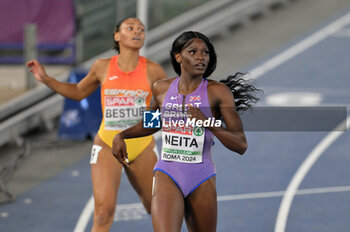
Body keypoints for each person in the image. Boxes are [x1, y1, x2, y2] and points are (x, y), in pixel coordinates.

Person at [26, 17, 167, 231]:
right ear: (117, 36)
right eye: (130, 28)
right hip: (106, 146)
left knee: (155, 207)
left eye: (141, 29)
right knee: (102, 214)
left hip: (140, 147)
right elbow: (78, 92)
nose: (137, 32)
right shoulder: (102, 67)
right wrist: (46, 79)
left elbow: (159, 110)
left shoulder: (153, 70)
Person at [112, 31, 259, 231]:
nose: (201, 57)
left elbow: (241, 144)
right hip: (167, 172)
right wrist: (122, 135)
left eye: (205, 52)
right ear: (178, 56)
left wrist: (208, 122)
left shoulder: (217, 92)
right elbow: (151, 123)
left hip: (202, 176)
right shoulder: (161, 89)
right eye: (193, 51)